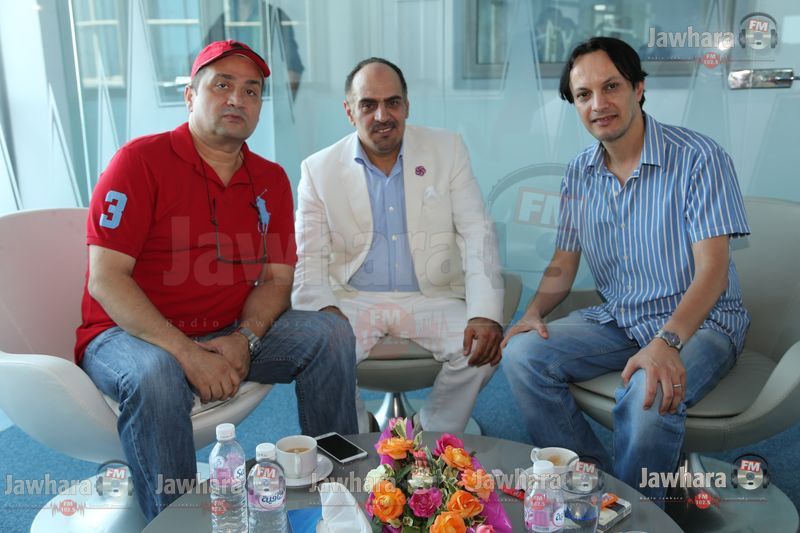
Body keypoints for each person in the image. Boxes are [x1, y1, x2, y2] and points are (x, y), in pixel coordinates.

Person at [74, 40, 357, 521]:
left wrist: (245, 338)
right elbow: (106, 279)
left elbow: (277, 279)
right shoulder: (138, 162)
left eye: (251, 91)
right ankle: (174, 522)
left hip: (227, 328)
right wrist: (186, 353)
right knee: (156, 375)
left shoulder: (270, 179)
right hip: (126, 333)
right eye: (222, 85)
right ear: (190, 96)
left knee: (329, 333)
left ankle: (339, 497)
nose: (237, 99)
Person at [501, 37, 750, 504]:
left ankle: (635, 517)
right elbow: (564, 260)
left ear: (638, 88)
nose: (598, 104)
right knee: (521, 354)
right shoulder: (579, 172)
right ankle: (594, 491)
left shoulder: (699, 157)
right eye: (583, 94)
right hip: (621, 318)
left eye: (611, 86)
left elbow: (713, 272)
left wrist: (666, 343)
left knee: (648, 392)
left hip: (702, 324)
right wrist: (533, 313)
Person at [292, 57, 504, 433]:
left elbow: (477, 231)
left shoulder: (447, 149)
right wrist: (325, 312)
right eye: (368, 104)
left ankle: (430, 430)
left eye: (392, 102)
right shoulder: (318, 169)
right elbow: (309, 257)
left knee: (483, 350)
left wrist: (484, 313)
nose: (382, 115)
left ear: (407, 106)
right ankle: (359, 432)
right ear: (349, 111)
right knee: (322, 353)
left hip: (430, 295)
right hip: (352, 298)